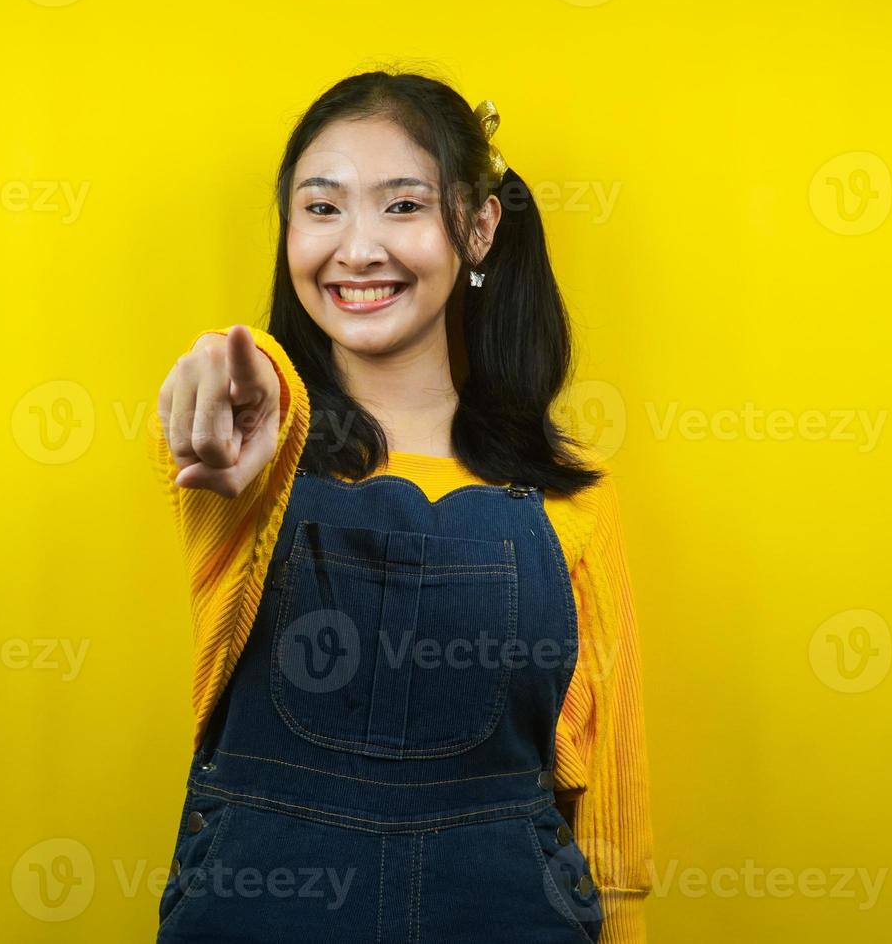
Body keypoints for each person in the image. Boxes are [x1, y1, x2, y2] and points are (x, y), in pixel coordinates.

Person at [152, 69, 653, 942]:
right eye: (321, 208)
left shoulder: (573, 500)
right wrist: (240, 387)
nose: (355, 249)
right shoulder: (249, 455)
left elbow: (609, 825)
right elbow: (231, 431)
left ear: (480, 227)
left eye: (402, 205)